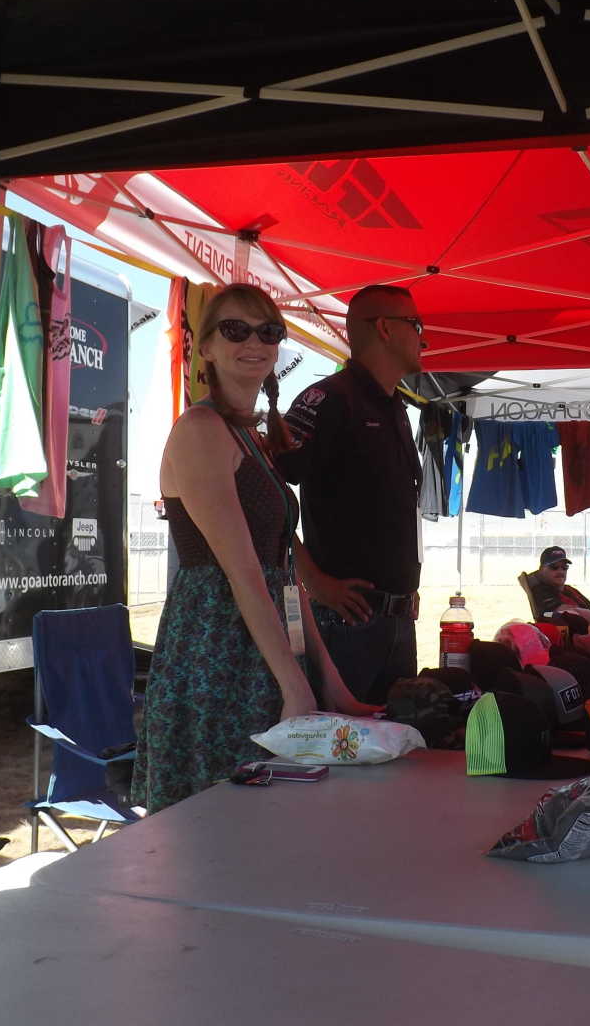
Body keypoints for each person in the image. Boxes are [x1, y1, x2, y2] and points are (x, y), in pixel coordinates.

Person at [132, 284, 371, 813]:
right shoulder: (200, 430)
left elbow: (281, 574)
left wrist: (330, 682)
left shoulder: (248, 438)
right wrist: (296, 686)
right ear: (206, 348)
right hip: (217, 650)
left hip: (262, 648)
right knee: (218, 823)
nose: (255, 343)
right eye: (235, 330)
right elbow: (242, 572)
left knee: (271, 822)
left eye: (269, 332)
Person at [277, 284, 426, 704]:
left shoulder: (396, 407)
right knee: (337, 739)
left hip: (397, 621)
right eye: (416, 325)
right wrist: (313, 580)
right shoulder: (328, 400)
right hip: (345, 624)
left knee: (398, 736)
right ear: (385, 329)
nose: (425, 339)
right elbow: (265, 493)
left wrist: (403, 587)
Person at [526, 546, 590, 617]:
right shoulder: (540, 592)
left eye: (564, 567)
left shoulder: (570, 590)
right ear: (541, 569)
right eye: (554, 567)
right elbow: (564, 612)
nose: (561, 571)